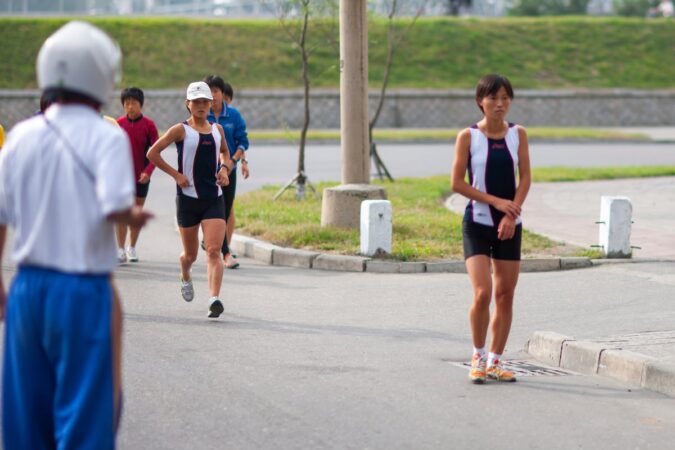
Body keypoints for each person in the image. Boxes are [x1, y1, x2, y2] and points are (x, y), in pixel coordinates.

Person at [0, 21, 152, 449]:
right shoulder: (107, 136)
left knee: (25, 421)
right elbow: (114, 206)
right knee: (86, 419)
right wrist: (133, 217)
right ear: (102, 76)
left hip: (27, 289)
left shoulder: (20, 137)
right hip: (83, 290)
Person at [450, 74, 531, 384]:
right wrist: (496, 202)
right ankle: (478, 356)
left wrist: (511, 214)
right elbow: (457, 183)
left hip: (510, 224)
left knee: (505, 295)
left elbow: (525, 178)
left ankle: (496, 361)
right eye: (493, 98)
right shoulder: (468, 136)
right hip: (478, 222)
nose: (500, 104)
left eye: (505, 98)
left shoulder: (518, 134)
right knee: (483, 292)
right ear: (480, 102)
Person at [147, 81, 233, 318]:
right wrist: (176, 175)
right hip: (188, 199)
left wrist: (224, 169)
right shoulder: (180, 130)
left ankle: (214, 299)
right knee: (191, 255)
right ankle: (185, 273)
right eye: (196, 102)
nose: (201, 106)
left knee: (214, 250)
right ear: (188, 104)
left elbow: (225, 153)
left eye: (205, 101)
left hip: (214, 197)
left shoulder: (217, 130)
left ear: (211, 104)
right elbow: (152, 153)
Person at [203, 75, 250, 269]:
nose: (213, 95)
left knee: (225, 210)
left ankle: (214, 244)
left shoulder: (234, 115)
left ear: (223, 93)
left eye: (216, 91)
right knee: (216, 211)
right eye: (209, 91)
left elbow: (243, 142)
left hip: (229, 171)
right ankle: (225, 253)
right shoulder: (202, 115)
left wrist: (233, 161)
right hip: (206, 173)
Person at [116, 87, 159, 263]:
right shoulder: (117, 125)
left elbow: (156, 152)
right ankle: (120, 250)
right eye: (127, 103)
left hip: (141, 178)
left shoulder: (149, 125)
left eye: (133, 103)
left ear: (141, 104)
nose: (130, 106)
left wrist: (148, 172)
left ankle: (131, 247)